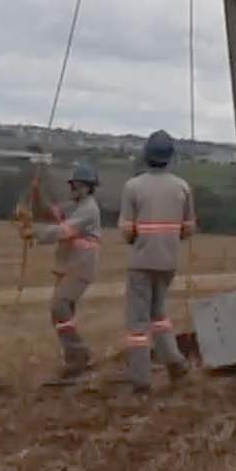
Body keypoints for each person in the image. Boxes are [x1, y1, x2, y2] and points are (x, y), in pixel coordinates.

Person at [116, 130, 197, 393]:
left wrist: (138, 241)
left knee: (137, 324)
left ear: (145, 156)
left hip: (141, 260)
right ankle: (175, 363)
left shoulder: (133, 186)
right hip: (168, 261)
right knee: (159, 314)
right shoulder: (183, 187)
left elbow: (127, 230)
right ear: (170, 157)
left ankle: (140, 380)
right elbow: (189, 228)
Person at [20, 160, 104, 383]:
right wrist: (36, 194)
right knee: (60, 313)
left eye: (79, 185)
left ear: (89, 187)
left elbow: (63, 231)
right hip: (69, 265)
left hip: (81, 266)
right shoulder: (73, 205)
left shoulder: (88, 209)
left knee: (60, 306)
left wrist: (34, 233)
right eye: (73, 185)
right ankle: (74, 361)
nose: (74, 188)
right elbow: (49, 214)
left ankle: (80, 356)